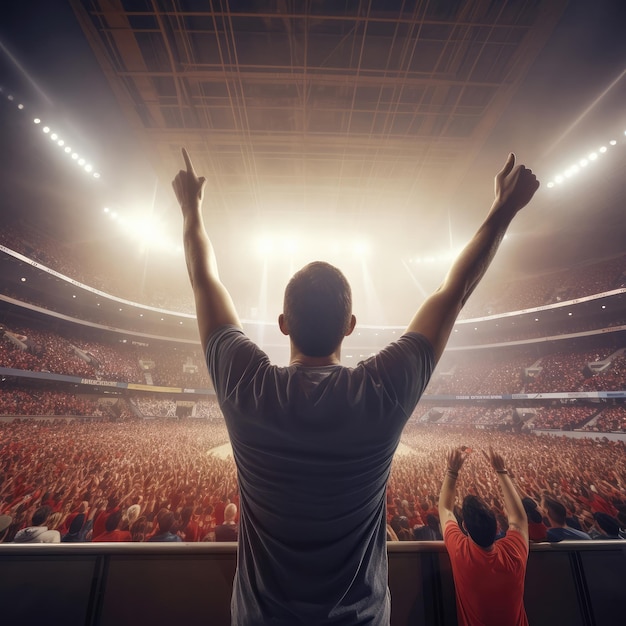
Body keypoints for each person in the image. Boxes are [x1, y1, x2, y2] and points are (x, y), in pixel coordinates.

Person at [172, 148, 539, 625]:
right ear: (350, 325)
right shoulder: (381, 392)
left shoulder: (248, 387)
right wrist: (503, 208)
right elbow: (454, 292)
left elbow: (204, 281)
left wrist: (191, 209)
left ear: (283, 324)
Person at [438, 447, 529, 626]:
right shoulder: (514, 554)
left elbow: (445, 509)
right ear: (497, 528)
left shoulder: (460, 552)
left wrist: (452, 470)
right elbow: (518, 518)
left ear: (464, 527)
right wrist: (501, 471)